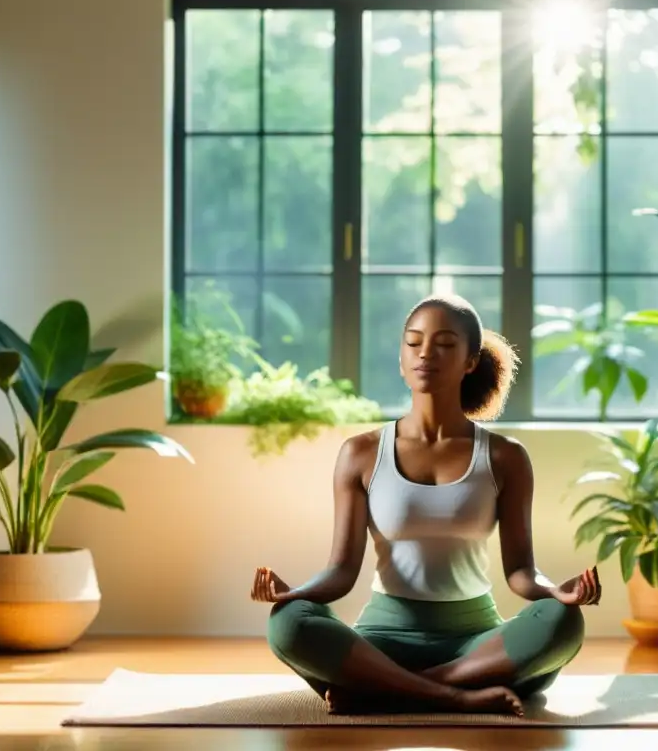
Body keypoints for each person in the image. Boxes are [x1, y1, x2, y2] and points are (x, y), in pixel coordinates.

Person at [251, 294, 601, 717]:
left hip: (474, 642)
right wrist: (294, 593)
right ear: (401, 359)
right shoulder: (361, 453)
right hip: (381, 642)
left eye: (444, 344)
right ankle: (457, 695)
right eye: (413, 342)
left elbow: (520, 572)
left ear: (470, 361)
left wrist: (556, 592)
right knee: (288, 622)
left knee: (562, 623)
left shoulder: (505, 457)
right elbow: (341, 571)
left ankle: (386, 692)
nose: (425, 354)